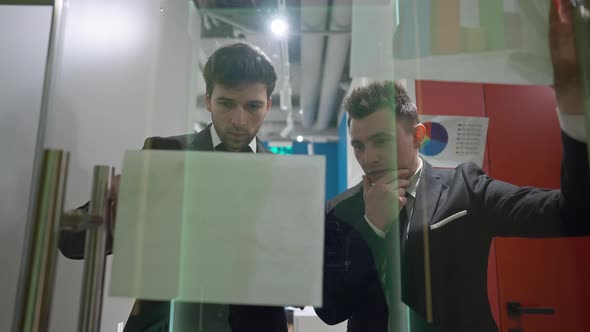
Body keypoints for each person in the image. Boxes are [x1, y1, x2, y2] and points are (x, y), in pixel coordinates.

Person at [315, 2, 589, 331]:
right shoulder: (340, 210)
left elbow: (573, 213)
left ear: (418, 136)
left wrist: (574, 111)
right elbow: (331, 311)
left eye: (381, 141)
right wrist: (372, 229)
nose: (368, 157)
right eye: (358, 145)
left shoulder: (466, 188)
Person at [59, 42, 288, 332]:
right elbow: (70, 242)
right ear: (208, 100)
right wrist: (112, 205)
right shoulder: (165, 154)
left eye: (252, 106)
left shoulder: (283, 177)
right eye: (226, 103)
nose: (239, 120)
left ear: (268, 105)